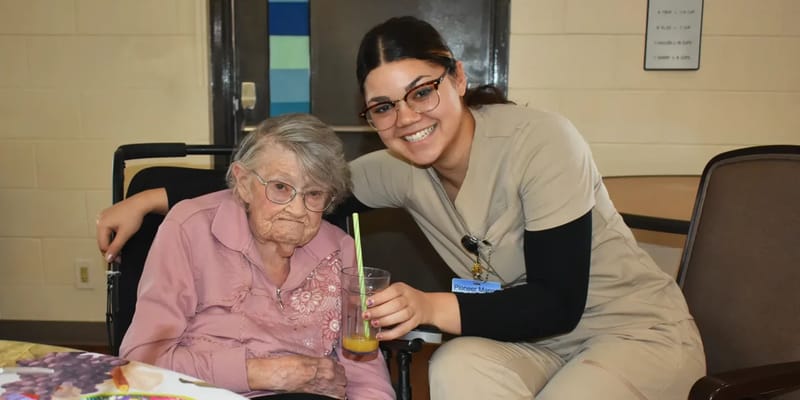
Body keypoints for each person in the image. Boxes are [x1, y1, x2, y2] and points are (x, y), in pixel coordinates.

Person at [99, 16, 705, 400]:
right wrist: (154, 197)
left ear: (458, 78)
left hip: (624, 331)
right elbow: (287, 178)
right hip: (528, 338)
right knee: (456, 370)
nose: (407, 118)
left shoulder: (543, 140)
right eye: (383, 107)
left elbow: (559, 300)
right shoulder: (400, 168)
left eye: (422, 91)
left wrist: (425, 305)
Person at [117, 114, 395, 400]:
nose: (298, 210)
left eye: (314, 193)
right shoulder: (190, 229)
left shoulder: (340, 249)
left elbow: (364, 367)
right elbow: (142, 362)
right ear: (244, 183)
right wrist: (261, 373)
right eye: (281, 188)